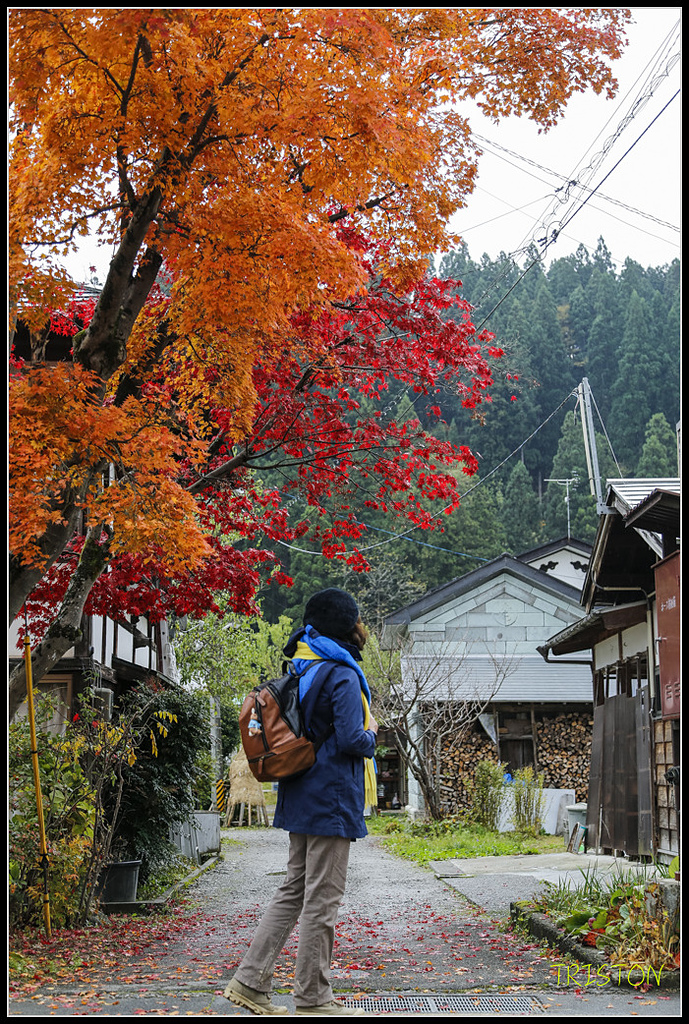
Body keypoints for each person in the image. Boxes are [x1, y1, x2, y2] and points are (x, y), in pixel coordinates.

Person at [224, 588, 378, 1016]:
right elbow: (351, 738)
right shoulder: (343, 674)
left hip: (300, 791)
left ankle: (250, 980)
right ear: (348, 626)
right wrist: (373, 736)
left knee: (294, 890)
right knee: (322, 900)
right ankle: (313, 999)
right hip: (330, 798)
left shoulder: (301, 665)